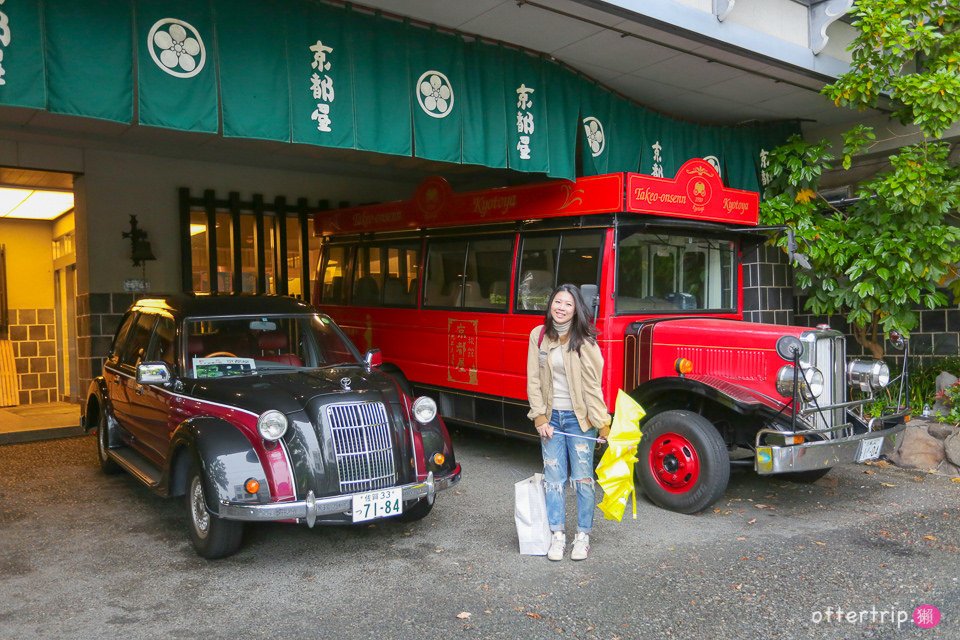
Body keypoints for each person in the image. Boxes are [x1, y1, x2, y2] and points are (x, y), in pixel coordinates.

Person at [526, 284, 610, 561]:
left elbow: (592, 387)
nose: (561, 308)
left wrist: (603, 423)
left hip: (580, 420)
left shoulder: (585, 341)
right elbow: (534, 381)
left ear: (577, 311)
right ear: (550, 304)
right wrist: (539, 416)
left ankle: (582, 536)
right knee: (553, 480)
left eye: (568, 304)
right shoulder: (538, 336)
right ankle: (557, 535)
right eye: (557, 302)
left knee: (583, 480)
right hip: (551, 419)